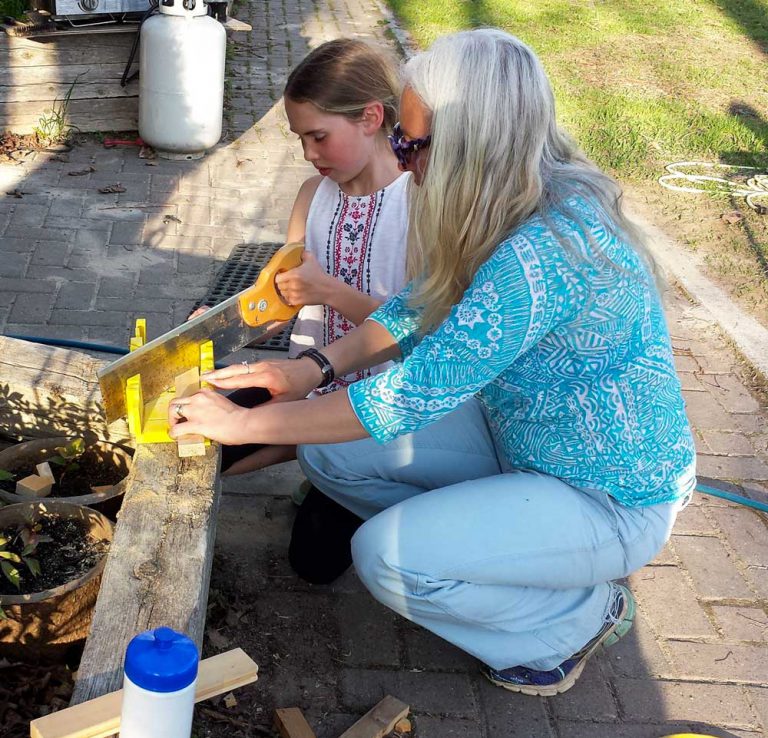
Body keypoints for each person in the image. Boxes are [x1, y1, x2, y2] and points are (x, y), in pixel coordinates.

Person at [169, 29, 696, 697]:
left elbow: (403, 398)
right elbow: (417, 306)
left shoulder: (544, 255)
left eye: (411, 143)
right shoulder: (511, 202)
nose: (402, 158)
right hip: (528, 444)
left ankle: (575, 620)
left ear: (471, 145)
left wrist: (244, 426)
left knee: (383, 557)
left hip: (609, 498)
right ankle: (498, 549)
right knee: (325, 456)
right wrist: (309, 372)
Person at [217, 37, 410, 476]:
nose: (309, 154)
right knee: (201, 441)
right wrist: (233, 323)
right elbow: (284, 301)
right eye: (300, 138)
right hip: (306, 386)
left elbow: (423, 331)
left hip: (386, 405)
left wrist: (331, 292)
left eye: (319, 136)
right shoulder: (312, 197)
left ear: (370, 117)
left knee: (318, 539)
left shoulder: (417, 204)